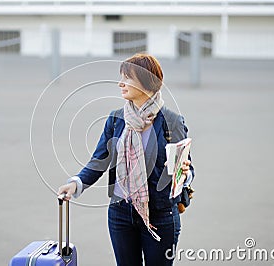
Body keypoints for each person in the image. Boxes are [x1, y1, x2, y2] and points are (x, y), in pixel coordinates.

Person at [58, 53, 194, 266]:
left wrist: (184, 174)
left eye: (127, 78)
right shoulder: (116, 119)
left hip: (159, 214)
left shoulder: (172, 121)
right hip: (120, 212)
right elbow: (99, 160)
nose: (120, 83)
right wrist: (76, 183)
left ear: (147, 82)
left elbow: (188, 169)